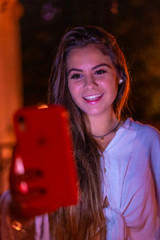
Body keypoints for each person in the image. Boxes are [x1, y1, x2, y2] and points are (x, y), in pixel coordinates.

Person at [0, 25, 160, 240]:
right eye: (77, 76)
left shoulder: (148, 141)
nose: (90, 84)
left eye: (100, 71)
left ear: (120, 75)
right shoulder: (53, 147)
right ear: (66, 83)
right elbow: (27, 224)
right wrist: (17, 208)